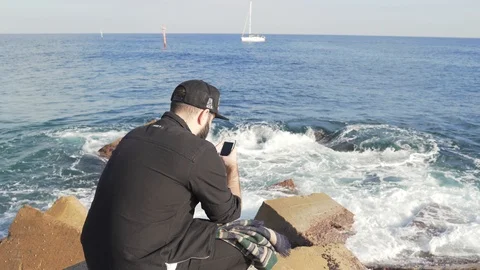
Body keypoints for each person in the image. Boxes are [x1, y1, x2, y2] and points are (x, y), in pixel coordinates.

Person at [81, 80, 250, 270]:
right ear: (204, 115)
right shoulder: (200, 151)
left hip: (96, 255)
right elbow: (228, 214)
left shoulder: (133, 136)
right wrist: (230, 168)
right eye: (212, 119)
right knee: (243, 250)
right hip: (140, 264)